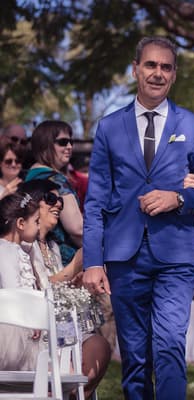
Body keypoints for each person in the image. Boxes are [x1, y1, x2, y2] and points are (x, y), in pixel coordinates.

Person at [82, 36, 194, 399]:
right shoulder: (109, 127)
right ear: (135, 69)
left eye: (166, 67)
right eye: (150, 65)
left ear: (174, 75)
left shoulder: (192, 125)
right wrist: (94, 262)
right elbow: (95, 199)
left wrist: (178, 197)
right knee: (134, 356)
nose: (157, 73)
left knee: (170, 344)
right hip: (124, 257)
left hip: (175, 254)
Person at [21, 179, 111, 399]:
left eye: (60, 200)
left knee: (100, 345)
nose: (59, 205)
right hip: (36, 335)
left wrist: (76, 283)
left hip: (63, 331)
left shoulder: (53, 247)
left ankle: (73, 393)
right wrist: (73, 267)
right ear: (32, 204)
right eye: (51, 198)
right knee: (69, 374)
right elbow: (32, 291)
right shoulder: (22, 245)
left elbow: (58, 286)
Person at [26, 120, 82, 265]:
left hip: (39, 256)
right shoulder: (56, 179)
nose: (69, 146)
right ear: (45, 145)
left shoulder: (31, 175)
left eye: (71, 141)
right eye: (63, 142)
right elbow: (77, 228)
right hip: (66, 262)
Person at [0, 190, 41, 371]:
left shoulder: (18, 249)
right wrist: (31, 321)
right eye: (37, 221)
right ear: (21, 223)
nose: (39, 227)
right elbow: (13, 291)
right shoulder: (6, 250)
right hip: (12, 329)